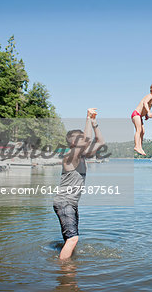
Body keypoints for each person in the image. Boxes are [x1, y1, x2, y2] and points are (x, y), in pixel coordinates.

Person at [53, 108, 104, 260]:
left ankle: (67, 262)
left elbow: (100, 142)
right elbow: (87, 141)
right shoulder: (70, 156)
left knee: (69, 239)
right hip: (65, 202)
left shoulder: (81, 156)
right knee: (73, 239)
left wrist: (94, 124)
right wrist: (87, 118)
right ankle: (64, 272)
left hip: (71, 203)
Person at [131, 82, 152, 155]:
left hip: (139, 116)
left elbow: (145, 107)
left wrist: (146, 114)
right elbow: (145, 103)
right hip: (136, 114)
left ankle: (140, 146)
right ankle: (137, 146)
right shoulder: (149, 96)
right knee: (139, 130)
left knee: (143, 132)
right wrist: (149, 112)